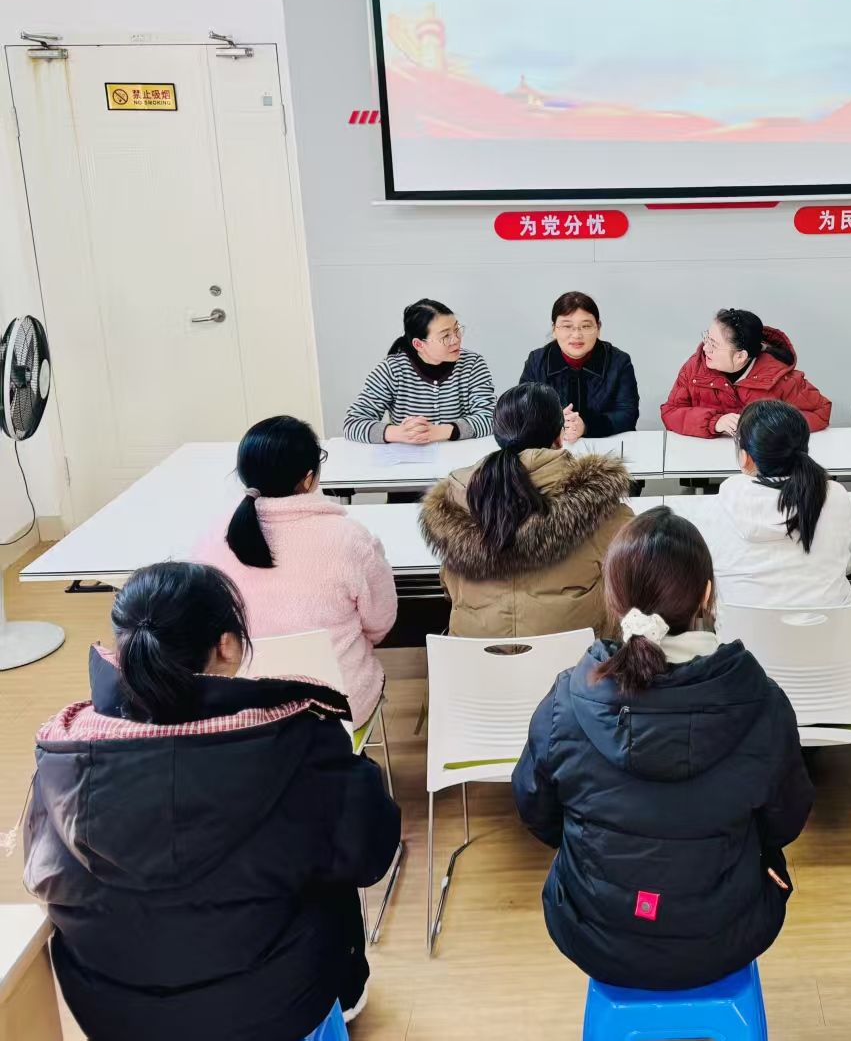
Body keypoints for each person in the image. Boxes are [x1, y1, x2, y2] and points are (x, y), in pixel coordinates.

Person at [24, 562, 401, 1041]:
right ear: (227, 645)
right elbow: (371, 852)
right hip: (276, 1011)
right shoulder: (296, 741)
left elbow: (44, 876)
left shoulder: (65, 753)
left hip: (118, 1018)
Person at [512, 508, 813, 991]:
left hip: (596, 933)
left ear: (615, 599)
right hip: (725, 935)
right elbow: (785, 822)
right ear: (707, 595)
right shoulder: (761, 703)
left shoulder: (567, 701)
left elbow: (538, 811)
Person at [193, 415, 397, 727]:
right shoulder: (350, 538)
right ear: (308, 478)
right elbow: (380, 623)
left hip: (244, 713)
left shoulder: (211, 539)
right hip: (337, 711)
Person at [419, 381, 633, 637]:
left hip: (475, 657)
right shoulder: (605, 509)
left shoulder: (457, 499)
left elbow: (449, 585)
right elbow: (632, 583)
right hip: (576, 657)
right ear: (560, 436)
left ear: (499, 436)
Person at [708, 399, 851, 618]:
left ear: (745, 457)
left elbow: (709, 569)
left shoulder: (723, 502)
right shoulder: (834, 494)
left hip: (744, 637)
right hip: (831, 635)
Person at [343, 297, 496, 443]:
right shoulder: (392, 370)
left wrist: (441, 431)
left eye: (457, 330)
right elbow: (353, 423)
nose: (456, 339)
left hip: (462, 458)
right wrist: (398, 433)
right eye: (445, 336)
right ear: (419, 344)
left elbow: (491, 418)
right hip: (407, 458)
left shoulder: (473, 364)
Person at [661, 308, 832, 437]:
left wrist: (773, 426)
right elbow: (670, 412)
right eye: (707, 338)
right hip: (705, 459)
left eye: (714, 344)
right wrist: (714, 422)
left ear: (741, 356)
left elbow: (821, 411)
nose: (705, 348)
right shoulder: (695, 367)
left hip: (761, 462)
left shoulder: (779, 378)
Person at [518, 291, 640, 440]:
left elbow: (628, 414)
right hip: (552, 446)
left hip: (604, 447)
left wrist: (586, 426)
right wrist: (554, 423)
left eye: (586, 326)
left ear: (598, 328)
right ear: (554, 329)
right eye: (567, 326)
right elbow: (522, 410)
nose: (576, 335)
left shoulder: (618, 361)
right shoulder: (537, 361)